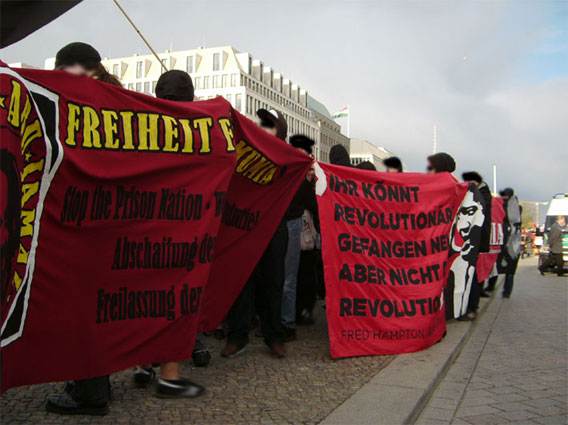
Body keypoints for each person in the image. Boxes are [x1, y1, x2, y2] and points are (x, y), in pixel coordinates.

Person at [46, 42, 121, 416]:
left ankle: (91, 393)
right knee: (99, 309)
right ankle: (96, 382)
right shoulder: (119, 100)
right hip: (113, 220)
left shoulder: (81, 102)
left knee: (83, 310)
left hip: (86, 221)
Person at [131, 70, 207, 399]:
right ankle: (170, 374)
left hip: (144, 228)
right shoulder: (205, 131)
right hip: (186, 230)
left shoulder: (140, 126)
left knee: (141, 296)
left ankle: (141, 363)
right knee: (178, 299)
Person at [221, 109, 290, 358]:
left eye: (269, 124)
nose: (263, 127)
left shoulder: (289, 159)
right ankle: (237, 335)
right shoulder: (243, 151)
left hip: (274, 227)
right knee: (241, 280)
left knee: (274, 281)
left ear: (280, 130)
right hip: (245, 225)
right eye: (261, 123)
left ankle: (273, 335)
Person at [459, 172, 492, 319]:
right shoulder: (483, 193)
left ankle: (471, 308)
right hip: (473, 240)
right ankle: (468, 307)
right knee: (470, 273)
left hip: (474, 240)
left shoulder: (481, 195)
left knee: (471, 274)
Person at [496, 188, 522, 298]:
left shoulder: (502, 206)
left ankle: (502, 291)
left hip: (506, 240)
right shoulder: (517, 207)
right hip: (512, 242)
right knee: (508, 270)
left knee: (502, 268)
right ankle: (506, 292)